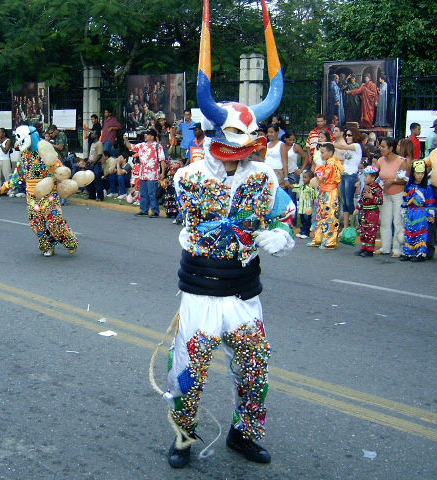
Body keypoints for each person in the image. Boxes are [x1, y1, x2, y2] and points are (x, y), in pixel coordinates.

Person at [162, 0, 294, 469]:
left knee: (255, 367)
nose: (236, 158)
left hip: (243, 293)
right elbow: (199, 222)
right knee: (189, 371)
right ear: (211, 139)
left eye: (245, 150)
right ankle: (182, 438)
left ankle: (244, 433)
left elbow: (283, 219)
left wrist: (280, 234)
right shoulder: (188, 177)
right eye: (228, 149)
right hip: (199, 292)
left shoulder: (267, 179)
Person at [7, 125, 79, 256]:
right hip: (31, 195)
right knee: (36, 222)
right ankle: (47, 246)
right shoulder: (24, 155)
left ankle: (70, 241)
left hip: (48, 193)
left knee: (54, 222)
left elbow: (58, 168)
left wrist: (57, 178)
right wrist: (9, 184)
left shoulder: (46, 151)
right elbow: (20, 173)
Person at [373, 137, 409, 257]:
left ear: (391, 148)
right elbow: (376, 175)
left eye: (383, 146)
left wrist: (393, 181)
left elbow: (405, 180)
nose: (380, 148)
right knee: (385, 221)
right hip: (385, 194)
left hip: (398, 195)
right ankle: (385, 247)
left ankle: (398, 249)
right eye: (380, 146)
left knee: (398, 221)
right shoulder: (381, 161)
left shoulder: (401, 161)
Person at [123, 129, 165, 217]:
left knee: (152, 194)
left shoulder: (158, 146)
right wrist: (126, 140)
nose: (145, 135)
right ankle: (144, 210)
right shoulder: (142, 145)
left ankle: (155, 211)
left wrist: (163, 173)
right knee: (144, 193)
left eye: (148, 134)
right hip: (142, 174)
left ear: (152, 136)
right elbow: (131, 147)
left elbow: (162, 160)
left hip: (153, 175)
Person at [308, 143, 343, 249]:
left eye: (323, 152)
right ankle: (318, 238)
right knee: (320, 214)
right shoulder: (328, 163)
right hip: (324, 191)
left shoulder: (332, 164)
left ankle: (329, 241)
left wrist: (318, 171)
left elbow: (323, 177)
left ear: (330, 153)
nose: (321, 155)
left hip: (330, 192)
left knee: (329, 216)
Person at [400, 160, 435, 261]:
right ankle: (409, 252)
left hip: (421, 213)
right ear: (413, 173)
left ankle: (421, 253)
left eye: (422, 173)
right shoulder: (408, 186)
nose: (420, 175)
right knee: (409, 232)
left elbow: (431, 203)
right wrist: (404, 209)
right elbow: (405, 199)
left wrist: (431, 215)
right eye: (418, 173)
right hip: (411, 212)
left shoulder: (427, 188)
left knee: (421, 233)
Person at [333, 126, 362, 233]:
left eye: (350, 135)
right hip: (344, 174)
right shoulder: (348, 148)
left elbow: (342, 145)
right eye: (347, 135)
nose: (348, 137)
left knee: (349, 201)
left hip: (351, 175)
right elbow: (341, 155)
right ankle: (345, 226)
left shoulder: (356, 146)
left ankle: (355, 223)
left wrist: (331, 144)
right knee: (344, 201)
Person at [353, 166, 383, 256]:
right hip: (364, 212)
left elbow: (380, 201)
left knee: (371, 230)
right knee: (364, 230)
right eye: (364, 176)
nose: (364, 178)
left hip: (373, 211)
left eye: (366, 176)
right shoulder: (365, 188)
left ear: (373, 178)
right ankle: (364, 247)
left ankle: (370, 250)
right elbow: (361, 200)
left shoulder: (377, 188)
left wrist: (372, 197)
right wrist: (358, 208)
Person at [292, 170, 316, 238]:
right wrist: (291, 186)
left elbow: (313, 197)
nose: (304, 179)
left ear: (311, 179)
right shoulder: (302, 186)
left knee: (307, 221)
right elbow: (296, 187)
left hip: (307, 207)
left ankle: (306, 233)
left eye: (306, 177)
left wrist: (312, 206)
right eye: (303, 177)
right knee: (302, 220)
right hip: (301, 207)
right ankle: (302, 231)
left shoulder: (311, 188)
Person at [0, 127, 13, 195]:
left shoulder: (8, 140)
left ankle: (9, 190)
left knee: (7, 175)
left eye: (0, 133)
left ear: (4, 133)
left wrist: (1, 144)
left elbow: (5, 151)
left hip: (5, 160)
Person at [86, 131, 105, 201]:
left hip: (96, 164)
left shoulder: (99, 143)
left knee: (97, 180)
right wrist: (88, 161)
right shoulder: (92, 144)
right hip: (91, 163)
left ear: (96, 135)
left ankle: (100, 196)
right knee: (90, 179)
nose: (91, 134)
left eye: (93, 134)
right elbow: (92, 154)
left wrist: (94, 163)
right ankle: (92, 195)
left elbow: (99, 154)